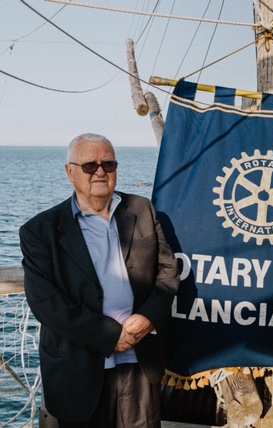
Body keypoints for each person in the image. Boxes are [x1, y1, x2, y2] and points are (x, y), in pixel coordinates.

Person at [19, 133, 180, 427]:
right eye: (90, 166)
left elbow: (168, 272)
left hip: (139, 365)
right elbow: (45, 302)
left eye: (108, 164)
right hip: (78, 370)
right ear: (70, 172)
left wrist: (148, 317)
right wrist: (109, 335)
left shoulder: (142, 210)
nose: (101, 172)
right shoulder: (40, 230)